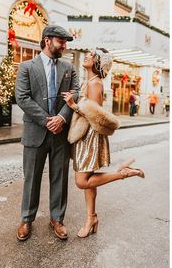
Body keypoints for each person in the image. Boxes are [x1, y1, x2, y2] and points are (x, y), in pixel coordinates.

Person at [62, 48, 145, 238]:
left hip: (89, 136)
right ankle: (91, 218)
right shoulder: (89, 81)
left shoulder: (95, 83)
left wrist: (73, 105)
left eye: (91, 55)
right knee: (90, 181)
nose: (87, 56)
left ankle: (123, 173)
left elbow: (96, 114)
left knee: (82, 182)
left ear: (98, 62)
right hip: (85, 134)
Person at [15, 25, 79, 241]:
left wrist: (61, 118)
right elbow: (22, 98)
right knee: (31, 179)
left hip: (61, 133)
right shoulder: (26, 67)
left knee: (60, 178)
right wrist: (47, 121)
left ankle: (57, 219)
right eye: (61, 41)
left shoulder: (69, 67)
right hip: (36, 132)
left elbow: (76, 93)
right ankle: (26, 219)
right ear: (47, 40)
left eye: (65, 42)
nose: (64, 45)